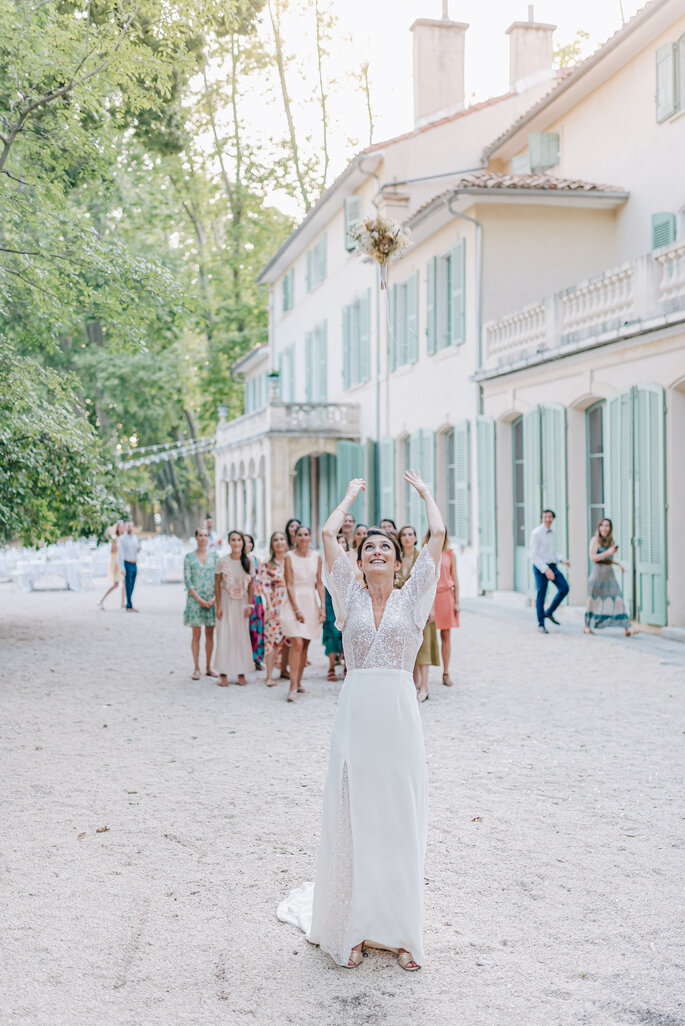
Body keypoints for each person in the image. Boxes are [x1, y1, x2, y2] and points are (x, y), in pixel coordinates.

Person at [276, 471, 445, 972]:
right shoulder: (346, 596)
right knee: (354, 816)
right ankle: (352, 926)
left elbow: (436, 536)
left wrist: (427, 495)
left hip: (397, 716)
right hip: (356, 715)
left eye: (384, 547)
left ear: (397, 559)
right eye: (368, 546)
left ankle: (402, 934)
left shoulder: (414, 597)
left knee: (398, 818)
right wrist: (349, 496)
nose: (376, 552)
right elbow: (327, 535)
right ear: (360, 556)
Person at [280, 525, 325, 702]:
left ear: (310, 536)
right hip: (294, 600)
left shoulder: (317, 557)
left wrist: (322, 607)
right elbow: (289, 583)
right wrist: (296, 608)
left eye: (306, 534)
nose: (304, 537)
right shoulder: (289, 557)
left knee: (305, 644)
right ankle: (291, 687)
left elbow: (320, 583)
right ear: (295, 537)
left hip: (310, 601)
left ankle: (298, 682)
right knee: (296, 643)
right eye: (300, 535)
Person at [397, 524, 439, 702]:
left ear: (415, 538)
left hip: (421, 606)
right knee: (408, 648)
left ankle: (425, 686)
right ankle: (412, 685)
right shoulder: (395, 558)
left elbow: (430, 583)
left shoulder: (422, 557)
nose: (407, 538)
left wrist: (432, 608)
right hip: (402, 608)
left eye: (410, 534)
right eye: (404, 535)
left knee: (425, 647)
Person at [214, 530, 254, 687]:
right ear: (229, 542)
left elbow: (251, 584)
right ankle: (223, 673)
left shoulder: (248, 561)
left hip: (242, 602)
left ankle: (241, 672)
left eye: (239, 540)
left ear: (243, 543)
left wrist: (250, 604)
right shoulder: (222, 561)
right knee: (224, 634)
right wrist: (218, 605)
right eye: (233, 540)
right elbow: (216, 584)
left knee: (241, 635)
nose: (236, 543)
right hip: (226, 601)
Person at [584, 518, 634, 636]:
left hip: (609, 575)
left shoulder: (611, 541)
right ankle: (586, 626)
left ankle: (628, 628)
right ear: (599, 527)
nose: (604, 528)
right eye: (602, 525)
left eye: (607, 526)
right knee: (593, 600)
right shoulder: (595, 540)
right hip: (597, 574)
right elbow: (593, 558)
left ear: (610, 528)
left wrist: (618, 564)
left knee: (618, 599)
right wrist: (608, 553)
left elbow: (607, 560)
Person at [183, 526, 218, 680]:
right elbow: (188, 580)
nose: (203, 538)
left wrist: (214, 598)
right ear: (196, 537)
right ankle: (196, 667)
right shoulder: (189, 557)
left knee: (210, 634)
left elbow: (219, 579)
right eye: (200, 535)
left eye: (206, 535)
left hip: (211, 599)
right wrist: (198, 599)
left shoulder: (215, 556)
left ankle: (209, 667)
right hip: (195, 600)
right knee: (196, 634)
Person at [530, 509, 570, 634]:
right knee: (541, 594)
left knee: (564, 588)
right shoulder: (536, 533)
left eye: (550, 517)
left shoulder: (553, 532)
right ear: (542, 518)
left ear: (553, 518)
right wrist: (545, 569)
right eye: (545, 517)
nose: (548, 519)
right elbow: (534, 556)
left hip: (552, 565)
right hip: (540, 567)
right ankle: (541, 624)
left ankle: (549, 612)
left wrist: (561, 560)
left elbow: (551, 553)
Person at [257, 532, 289, 687]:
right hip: (275, 603)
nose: (279, 542)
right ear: (272, 544)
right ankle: (269, 675)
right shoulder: (268, 564)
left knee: (289, 638)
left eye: (282, 539)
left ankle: (284, 670)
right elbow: (264, 585)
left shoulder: (292, 561)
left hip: (291, 602)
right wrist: (269, 604)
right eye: (276, 540)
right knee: (273, 639)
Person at [430, 531, 460, 687]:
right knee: (427, 636)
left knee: (446, 636)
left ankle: (446, 672)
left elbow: (455, 577)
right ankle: (422, 673)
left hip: (447, 595)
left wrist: (457, 601)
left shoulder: (449, 553)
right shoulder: (426, 551)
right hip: (431, 597)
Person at [322, 533, 346, 682]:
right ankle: (331, 667)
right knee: (331, 631)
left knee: (346, 633)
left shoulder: (350, 559)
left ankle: (346, 666)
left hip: (346, 599)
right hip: (330, 598)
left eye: (343, 542)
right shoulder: (327, 560)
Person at [244, 533, 265, 670]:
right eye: (245, 542)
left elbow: (261, 578)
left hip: (256, 597)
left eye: (250, 542)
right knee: (245, 629)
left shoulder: (257, 560)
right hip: (242, 598)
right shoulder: (238, 560)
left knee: (257, 629)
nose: (248, 544)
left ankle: (257, 658)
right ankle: (244, 658)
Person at [98, 521, 125, 610]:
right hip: (116, 564)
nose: (121, 529)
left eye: (122, 527)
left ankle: (123, 603)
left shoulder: (123, 538)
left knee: (124, 583)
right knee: (116, 584)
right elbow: (113, 551)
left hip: (122, 563)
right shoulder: (115, 538)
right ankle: (101, 600)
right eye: (120, 527)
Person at [117, 520, 141, 612]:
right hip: (127, 563)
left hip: (134, 563)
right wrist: (122, 568)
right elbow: (120, 555)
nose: (130, 528)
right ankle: (129, 604)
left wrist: (138, 549)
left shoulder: (135, 537)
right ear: (126, 527)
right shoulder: (122, 539)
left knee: (132, 584)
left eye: (131, 526)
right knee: (127, 584)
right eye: (128, 526)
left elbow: (135, 550)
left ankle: (129, 602)